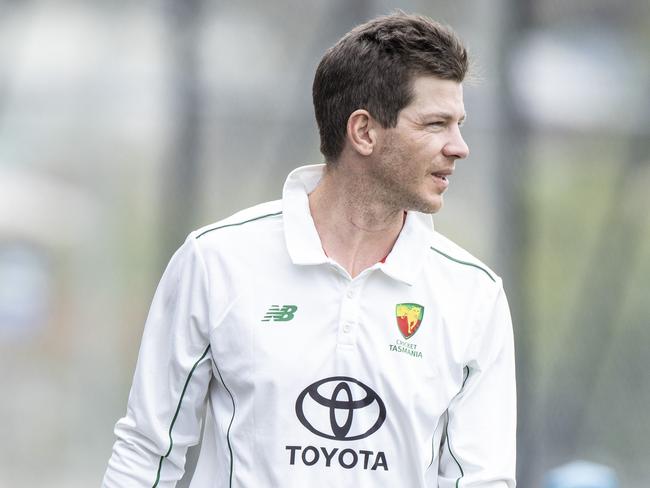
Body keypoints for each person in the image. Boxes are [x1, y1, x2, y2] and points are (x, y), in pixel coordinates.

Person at [103, 11, 516, 488]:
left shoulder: (474, 294)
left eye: (459, 124)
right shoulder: (215, 261)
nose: (459, 146)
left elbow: (483, 480)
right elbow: (145, 454)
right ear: (363, 132)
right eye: (436, 124)